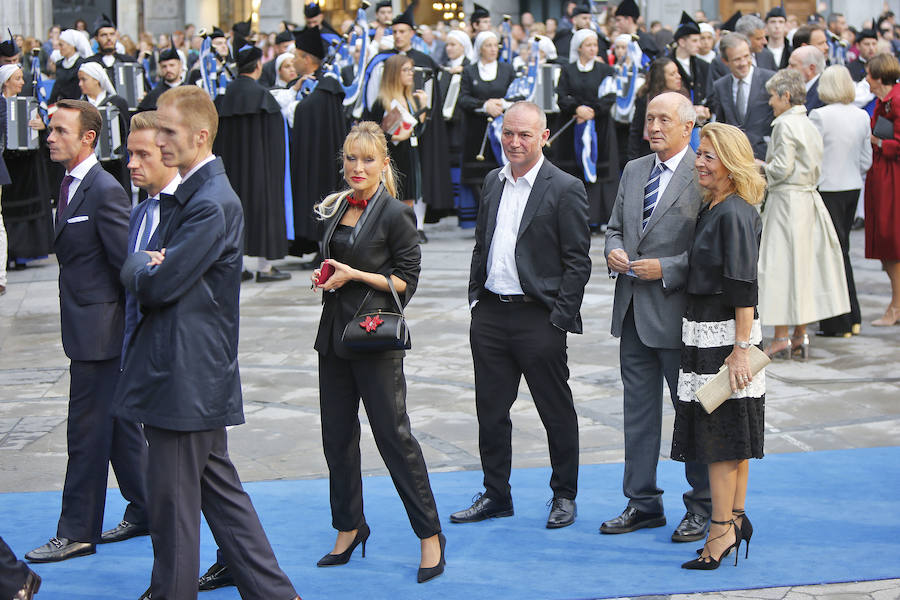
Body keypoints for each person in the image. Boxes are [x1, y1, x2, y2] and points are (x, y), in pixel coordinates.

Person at [113, 85, 300, 600]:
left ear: (200, 136)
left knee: (175, 514)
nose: (160, 141)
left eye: (169, 132)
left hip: (184, 378)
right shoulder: (195, 195)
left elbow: (159, 282)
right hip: (188, 375)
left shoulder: (209, 203)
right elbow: (158, 269)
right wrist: (150, 263)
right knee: (220, 497)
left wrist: (137, 264)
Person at [310, 121, 445, 584]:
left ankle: (430, 535)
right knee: (337, 439)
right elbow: (333, 257)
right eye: (351, 158)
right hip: (333, 338)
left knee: (394, 438)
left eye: (368, 159)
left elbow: (407, 281)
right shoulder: (338, 207)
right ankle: (349, 526)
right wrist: (327, 272)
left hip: (373, 339)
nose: (358, 167)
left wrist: (354, 275)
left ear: (385, 164)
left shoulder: (394, 213)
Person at [450, 102, 591, 530]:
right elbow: (482, 243)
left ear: (543, 137)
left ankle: (564, 495)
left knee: (555, 411)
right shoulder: (493, 181)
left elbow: (577, 262)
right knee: (490, 412)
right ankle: (496, 494)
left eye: (524, 135)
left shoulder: (565, 187)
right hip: (491, 315)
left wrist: (559, 320)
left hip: (539, 318)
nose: (514, 142)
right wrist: (476, 298)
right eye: (508, 132)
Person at [25, 99, 149, 563]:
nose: (49, 136)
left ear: (87, 138)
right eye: (50, 129)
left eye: (59, 130)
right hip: (88, 329)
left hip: (102, 336)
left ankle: (77, 530)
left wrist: (130, 331)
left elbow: (127, 267)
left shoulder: (103, 190)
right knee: (118, 429)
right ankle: (147, 509)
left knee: (86, 434)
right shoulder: (73, 184)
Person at [603, 92, 710, 542]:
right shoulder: (634, 170)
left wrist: (666, 268)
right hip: (631, 313)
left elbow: (709, 250)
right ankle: (642, 502)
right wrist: (612, 250)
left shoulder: (702, 174)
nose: (654, 127)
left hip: (676, 316)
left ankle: (703, 504)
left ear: (688, 127)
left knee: (690, 414)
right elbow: (612, 227)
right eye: (649, 119)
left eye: (664, 119)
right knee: (638, 413)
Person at [671, 121, 766, 570]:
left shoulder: (734, 212)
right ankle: (737, 519)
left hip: (725, 335)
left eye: (709, 155)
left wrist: (742, 347)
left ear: (730, 163)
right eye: (700, 153)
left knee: (720, 441)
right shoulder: (718, 205)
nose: (700, 162)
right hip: (711, 329)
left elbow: (743, 284)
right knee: (733, 437)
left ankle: (720, 531)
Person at [758, 68, 849, 358]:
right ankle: (801, 334)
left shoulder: (784, 125)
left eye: (772, 96)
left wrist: (759, 166)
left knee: (780, 267)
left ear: (785, 96)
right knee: (804, 268)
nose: (770, 102)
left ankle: (782, 336)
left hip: (787, 204)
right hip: (808, 202)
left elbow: (781, 169)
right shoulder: (808, 122)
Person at [214, 44, 291, 283]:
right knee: (263, 211)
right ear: (258, 65)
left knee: (232, 214)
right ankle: (264, 268)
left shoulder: (225, 97)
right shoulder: (263, 97)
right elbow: (277, 140)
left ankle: (236, 268)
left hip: (230, 170)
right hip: (261, 168)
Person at [809, 65, 872, 337]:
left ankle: (838, 321)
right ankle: (851, 317)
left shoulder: (819, 116)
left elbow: (811, 157)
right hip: (851, 187)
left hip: (827, 188)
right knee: (841, 252)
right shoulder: (861, 116)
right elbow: (866, 160)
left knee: (832, 256)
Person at [554, 28, 618, 227]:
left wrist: (592, 111)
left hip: (599, 127)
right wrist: (576, 108)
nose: (593, 49)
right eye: (588, 45)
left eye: (595, 45)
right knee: (574, 171)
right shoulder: (568, 70)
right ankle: (573, 216)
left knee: (597, 173)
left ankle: (596, 218)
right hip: (574, 126)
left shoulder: (605, 70)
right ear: (579, 48)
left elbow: (609, 96)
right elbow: (561, 96)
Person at [0, 64, 54, 275]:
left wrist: (40, 127)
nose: (22, 82)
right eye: (18, 78)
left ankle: (23, 253)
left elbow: (43, 133)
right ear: (6, 82)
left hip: (27, 165)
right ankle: (9, 255)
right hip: (6, 163)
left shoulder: (30, 104)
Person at [457, 31, 515, 215]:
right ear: (480, 48)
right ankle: (484, 212)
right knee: (478, 175)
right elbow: (463, 98)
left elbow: (517, 93)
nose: (492, 49)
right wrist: (484, 105)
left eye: (495, 45)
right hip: (476, 130)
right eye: (488, 45)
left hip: (503, 128)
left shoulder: (507, 69)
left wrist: (501, 104)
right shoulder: (470, 70)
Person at [364, 55, 428, 214]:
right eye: (405, 70)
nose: (410, 73)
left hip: (410, 155)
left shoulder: (410, 98)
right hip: (392, 158)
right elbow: (373, 134)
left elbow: (417, 130)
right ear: (393, 73)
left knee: (408, 201)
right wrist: (395, 137)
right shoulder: (382, 102)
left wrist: (424, 107)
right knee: (391, 201)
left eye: (411, 70)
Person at [864, 53, 900, 326]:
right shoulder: (883, 100)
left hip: (894, 177)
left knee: (892, 241)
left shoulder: (896, 101)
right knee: (886, 243)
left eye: (869, 74)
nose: (866, 79)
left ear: (879, 77)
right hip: (883, 175)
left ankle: (896, 306)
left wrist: (877, 142)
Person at [708, 32, 775, 160]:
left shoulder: (770, 80)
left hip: (764, 158)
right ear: (725, 61)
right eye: (737, 59)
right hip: (734, 158)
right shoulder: (720, 86)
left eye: (746, 56)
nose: (743, 63)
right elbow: (721, 124)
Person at [437, 30, 475, 228]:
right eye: (448, 44)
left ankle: (463, 205)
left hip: (463, 123)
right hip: (447, 124)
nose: (449, 48)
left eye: (454, 44)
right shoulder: (445, 68)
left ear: (463, 46)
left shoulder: (469, 67)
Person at [77, 62, 132, 190]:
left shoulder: (117, 102)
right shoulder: (80, 105)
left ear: (97, 80)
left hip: (116, 165)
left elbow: (126, 131)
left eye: (84, 80)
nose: (80, 84)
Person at [627, 58, 685, 161]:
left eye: (678, 72)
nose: (678, 77)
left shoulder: (683, 99)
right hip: (649, 151)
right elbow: (636, 131)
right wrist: (632, 159)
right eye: (672, 74)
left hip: (676, 153)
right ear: (661, 78)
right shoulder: (645, 99)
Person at [49, 30, 91, 103]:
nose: (59, 48)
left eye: (61, 45)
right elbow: (57, 87)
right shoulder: (59, 64)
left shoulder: (82, 63)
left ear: (71, 45)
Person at [137, 47, 184, 111]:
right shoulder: (153, 96)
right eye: (164, 66)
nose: (168, 70)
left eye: (172, 65)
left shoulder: (191, 93)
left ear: (180, 66)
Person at [788, 45, 825, 110]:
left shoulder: (823, 94)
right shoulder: (794, 88)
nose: (788, 69)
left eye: (793, 65)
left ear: (811, 68)